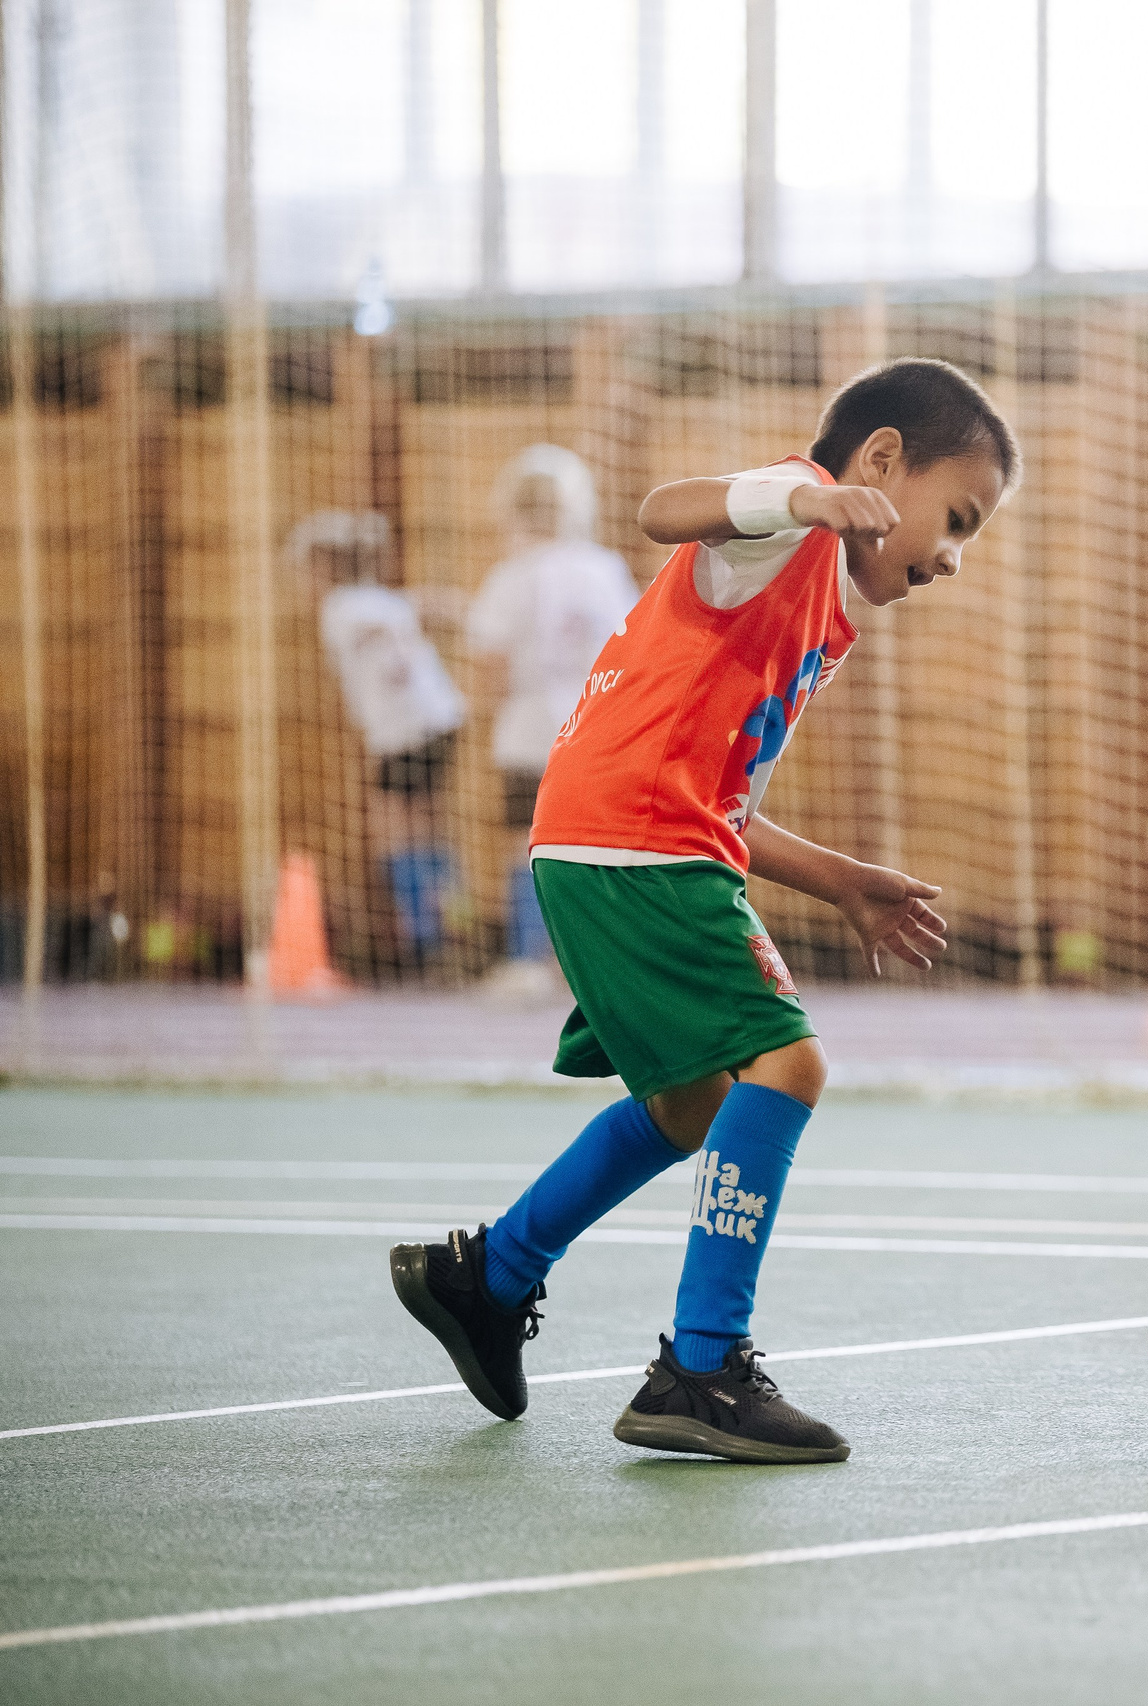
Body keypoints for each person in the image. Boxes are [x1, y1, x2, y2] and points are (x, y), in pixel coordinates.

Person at [390, 358, 1018, 1464]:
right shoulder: (782, 531)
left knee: (690, 1105)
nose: (954, 556)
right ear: (881, 462)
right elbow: (661, 508)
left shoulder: (821, 610)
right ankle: (702, 1364)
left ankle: (489, 1275)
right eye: (957, 519)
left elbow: (729, 807)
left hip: (615, 840)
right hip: (635, 845)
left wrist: (843, 880)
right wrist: (809, 497)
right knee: (790, 1062)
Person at [465, 444, 640, 996]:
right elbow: (634, 653)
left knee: (526, 845)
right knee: (596, 847)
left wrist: (489, 702)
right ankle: (602, 963)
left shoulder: (511, 576)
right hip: (600, 729)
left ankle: (528, 962)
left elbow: (491, 667)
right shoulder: (605, 569)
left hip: (529, 731)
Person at [297, 509, 466, 972]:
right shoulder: (381, 599)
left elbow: (375, 625)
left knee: (392, 831)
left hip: (402, 730)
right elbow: (420, 607)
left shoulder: (339, 607)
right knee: (427, 828)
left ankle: (424, 938)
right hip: (440, 718)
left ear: (325, 568)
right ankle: (452, 927)